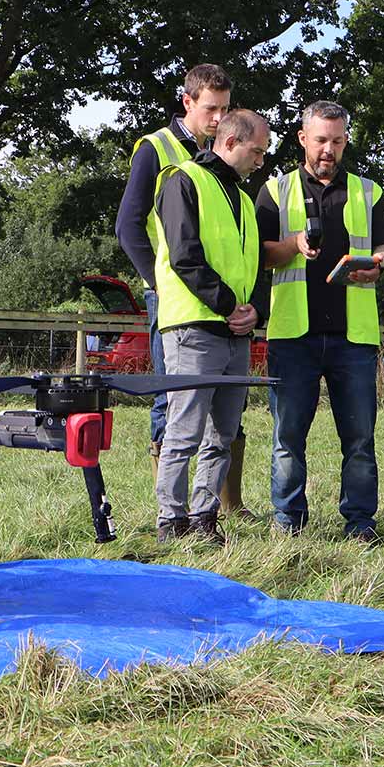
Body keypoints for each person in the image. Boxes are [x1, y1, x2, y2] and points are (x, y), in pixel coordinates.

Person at [115, 63, 255, 518]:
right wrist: (157, 283)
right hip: (179, 297)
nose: (218, 117)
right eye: (211, 108)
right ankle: (169, 512)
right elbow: (128, 226)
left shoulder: (229, 172)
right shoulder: (157, 149)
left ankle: (216, 507)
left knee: (223, 416)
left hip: (223, 308)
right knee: (175, 408)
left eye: (226, 109)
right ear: (187, 102)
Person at [256, 101, 384, 543]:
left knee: (359, 440)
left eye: (337, 140)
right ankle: (288, 523)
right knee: (287, 437)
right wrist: (294, 245)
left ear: (346, 140)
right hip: (292, 335)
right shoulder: (274, 191)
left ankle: (360, 524)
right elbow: (259, 255)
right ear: (302, 139)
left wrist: (379, 265)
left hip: (352, 336)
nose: (328, 150)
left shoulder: (369, 191)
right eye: (320, 140)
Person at [151, 109, 270, 544]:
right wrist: (226, 305)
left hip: (235, 331)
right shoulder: (182, 180)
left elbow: (256, 266)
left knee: (224, 432)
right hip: (194, 326)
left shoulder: (242, 198)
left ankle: (204, 518)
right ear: (232, 142)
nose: (261, 161)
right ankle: (171, 521)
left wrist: (256, 309)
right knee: (184, 430)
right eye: (257, 151)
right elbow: (185, 255)